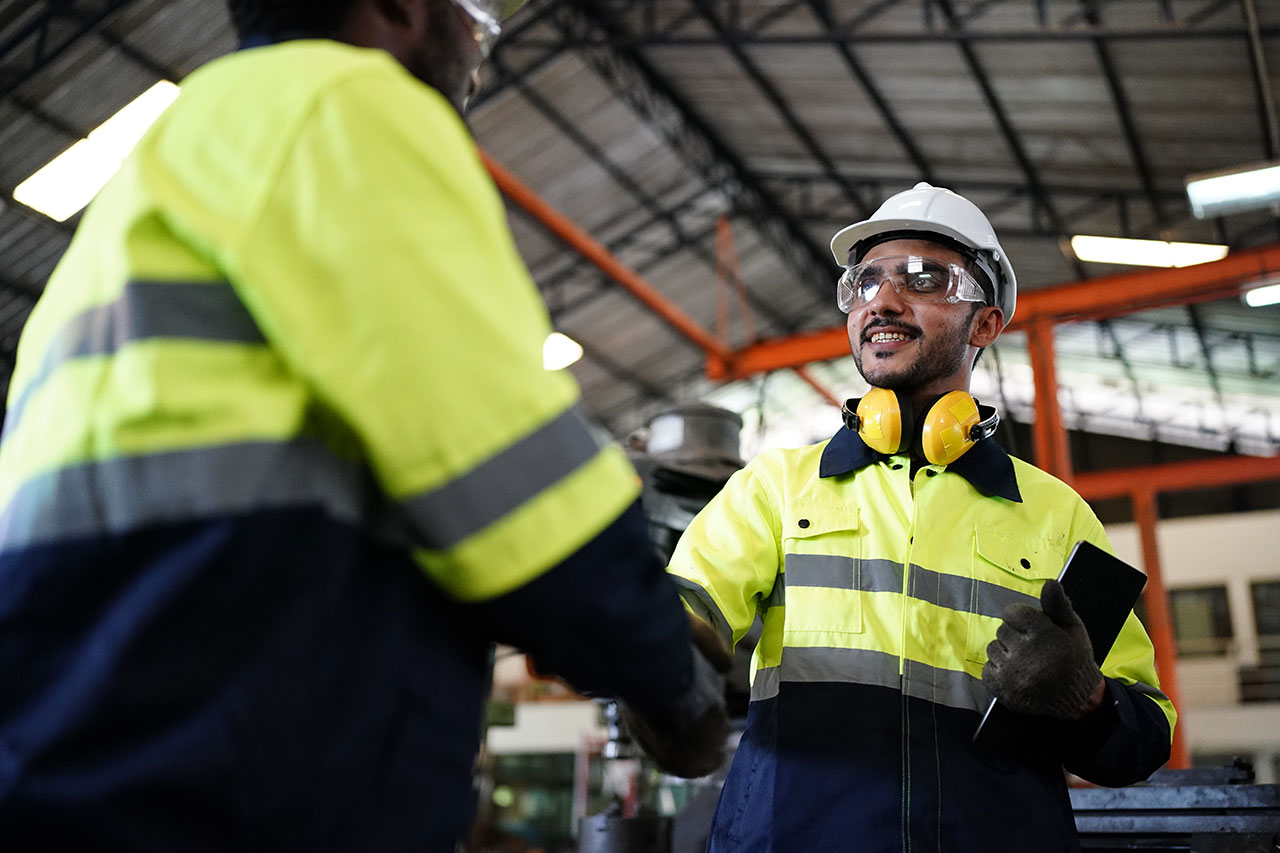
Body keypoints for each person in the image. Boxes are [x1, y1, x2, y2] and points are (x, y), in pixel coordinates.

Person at [0, 0, 726, 848]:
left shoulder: (173, 159)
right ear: (403, 8)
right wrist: (668, 671)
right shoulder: (346, 102)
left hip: (91, 752)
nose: (477, 57)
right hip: (226, 776)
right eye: (477, 26)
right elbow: (508, 475)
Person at [663, 183, 1176, 852]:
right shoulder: (778, 487)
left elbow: (1143, 741)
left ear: (986, 324)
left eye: (924, 279)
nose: (882, 299)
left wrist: (1085, 697)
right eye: (865, 281)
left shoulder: (1055, 514)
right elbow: (674, 621)